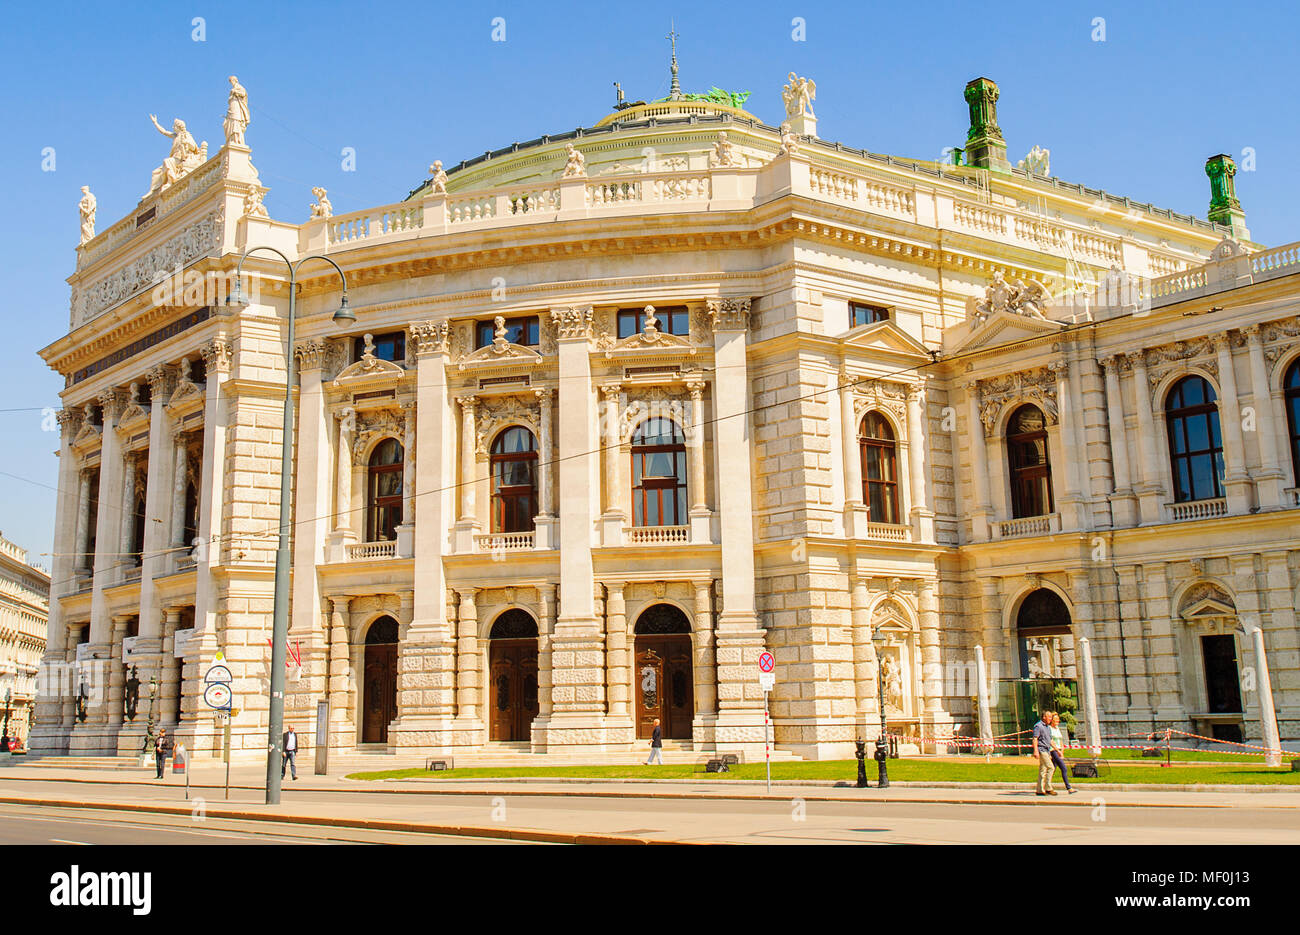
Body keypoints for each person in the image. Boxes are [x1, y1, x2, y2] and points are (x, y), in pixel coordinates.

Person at [1049, 712, 1077, 794]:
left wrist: (1062, 750)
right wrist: (1057, 751)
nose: (1057, 721)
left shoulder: (1057, 728)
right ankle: (1069, 788)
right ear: (1052, 720)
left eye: (1058, 720)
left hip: (1059, 750)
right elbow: (1051, 741)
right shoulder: (1049, 729)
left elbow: (1060, 740)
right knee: (1063, 768)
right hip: (1053, 750)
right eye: (1055, 720)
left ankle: (1046, 784)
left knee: (1052, 769)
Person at [1031, 711, 1056, 796]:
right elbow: (1035, 739)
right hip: (1041, 750)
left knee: (1043, 769)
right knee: (1051, 767)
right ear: (1044, 717)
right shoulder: (1038, 726)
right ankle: (1048, 788)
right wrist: (1035, 751)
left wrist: (1057, 750)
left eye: (1051, 717)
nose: (1050, 719)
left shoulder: (1048, 727)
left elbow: (1050, 740)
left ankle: (1039, 790)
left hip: (1047, 750)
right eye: (1049, 717)